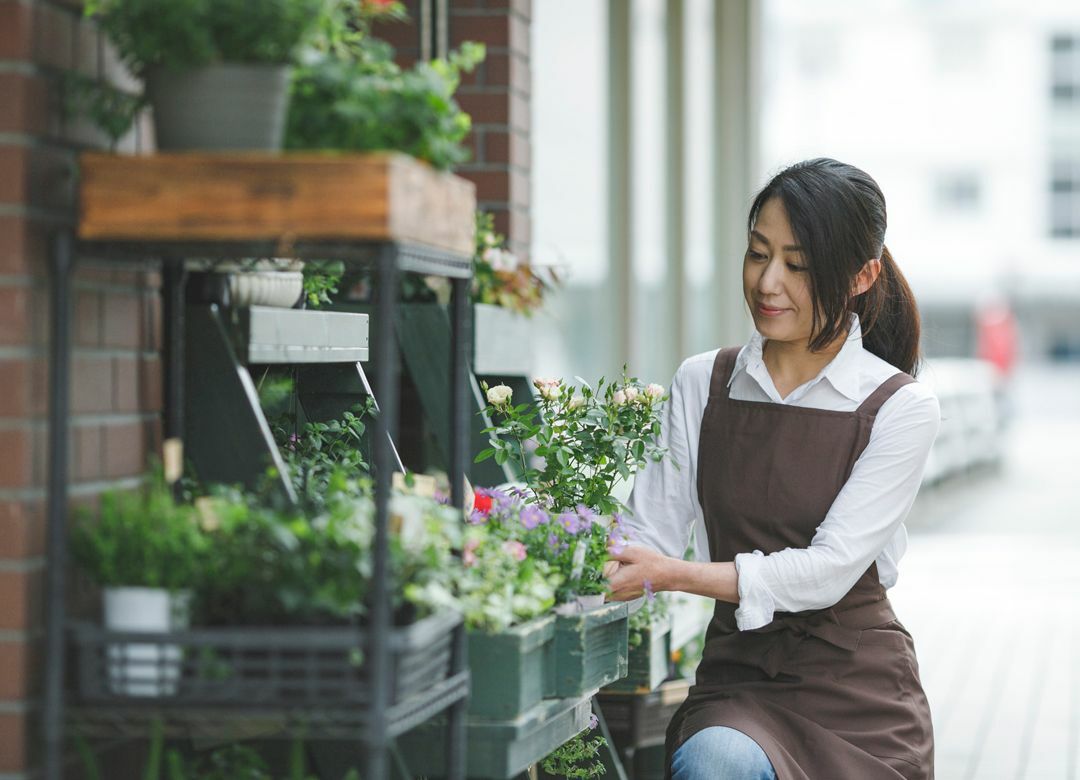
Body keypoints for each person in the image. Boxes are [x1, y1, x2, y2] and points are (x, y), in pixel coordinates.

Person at [607, 158, 940, 780]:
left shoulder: (899, 407)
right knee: (714, 763)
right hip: (741, 682)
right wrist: (548, 559)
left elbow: (828, 571)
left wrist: (675, 574)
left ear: (862, 275)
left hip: (860, 696)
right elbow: (644, 534)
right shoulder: (702, 382)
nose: (767, 282)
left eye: (799, 265)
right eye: (758, 253)